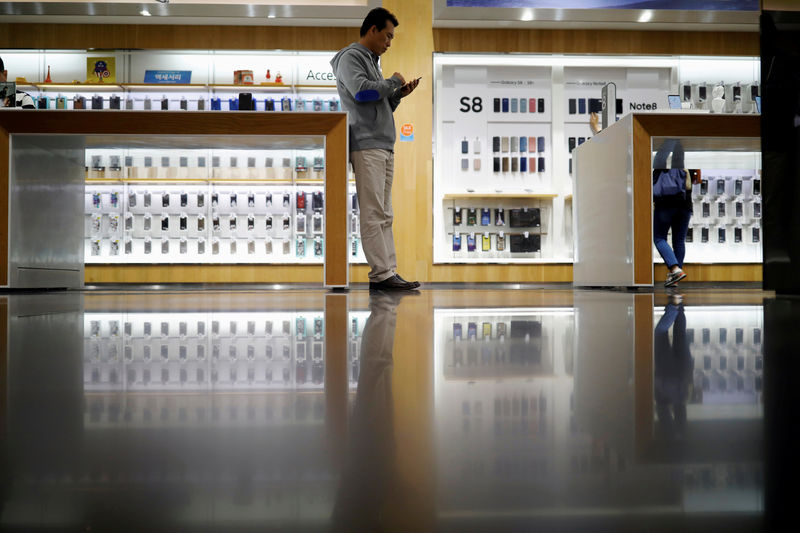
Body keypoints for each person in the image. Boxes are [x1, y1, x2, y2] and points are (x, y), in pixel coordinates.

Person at [330, 8, 421, 291]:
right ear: (372, 30)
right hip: (367, 145)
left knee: (384, 213)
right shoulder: (351, 57)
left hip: (382, 145)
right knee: (372, 212)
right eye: (388, 36)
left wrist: (397, 96)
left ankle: (388, 271)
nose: (389, 43)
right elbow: (362, 92)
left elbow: (377, 102)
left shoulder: (372, 62)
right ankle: (381, 274)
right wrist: (393, 81)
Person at [652, 139, 695, 287]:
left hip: (665, 206)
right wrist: (679, 142)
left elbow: (660, 157)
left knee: (658, 237)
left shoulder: (659, 169)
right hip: (685, 207)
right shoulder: (683, 169)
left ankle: (675, 269)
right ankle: (674, 277)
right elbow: (678, 156)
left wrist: (667, 140)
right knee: (678, 242)